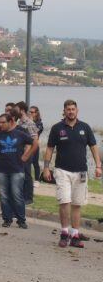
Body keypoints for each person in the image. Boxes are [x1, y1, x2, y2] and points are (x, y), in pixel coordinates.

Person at [42, 100, 102, 248]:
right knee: (64, 201)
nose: (70, 111)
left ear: (77, 111)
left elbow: (94, 147)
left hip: (81, 171)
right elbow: (49, 149)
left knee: (77, 204)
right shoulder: (57, 128)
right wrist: (46, 168)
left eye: (73, 109)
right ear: (64, 111)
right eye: (68, 109)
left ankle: (75, 235)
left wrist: (98, 166)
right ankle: (64, 233)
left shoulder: (85, 127)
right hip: (62, 171)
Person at [0, 112, 38, 228]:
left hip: (17, 169)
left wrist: (26, 155)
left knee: (17, 194)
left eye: (3, 122)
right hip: (1, 170)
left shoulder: (19, 134)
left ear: (10, 122)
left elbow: (35, 143)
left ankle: (21, 220)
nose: (1, 125)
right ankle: (7, 219)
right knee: (4, 195)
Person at [13, 102, 39, 204]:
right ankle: (21, 196)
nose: (15, 112)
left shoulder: (29, 123)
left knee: (27, 175)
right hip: (19, 153)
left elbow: (34, 139)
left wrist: (26, 154)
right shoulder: (19, 123)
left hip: (27, 153)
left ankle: (29, 198)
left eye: (17, 109)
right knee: (21, 175)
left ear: (22, 110)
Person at [29, 105, 44, 182]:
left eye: (32, 112)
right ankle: (28, 178)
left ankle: (37, 179)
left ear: (36, 113)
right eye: (29, 112)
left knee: (35, 162)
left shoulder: (39, 123)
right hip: (27, 145)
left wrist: (31, 122)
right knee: (27, 162)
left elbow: (36, 131)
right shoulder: (26, 121)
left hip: (34, 145)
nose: (30, 113)